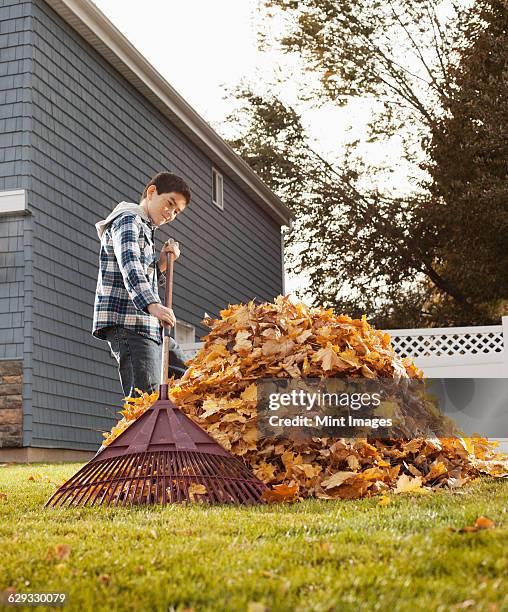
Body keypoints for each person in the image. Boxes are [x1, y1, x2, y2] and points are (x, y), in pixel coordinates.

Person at [92, 171, 192, 398]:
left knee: (188, 379)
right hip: (130, 325)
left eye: (177, 211)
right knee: (144, 402)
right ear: (152, 192)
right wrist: (153, 304)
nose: (171, 213)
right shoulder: (128, 220)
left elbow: (143, 273)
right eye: (169, 203)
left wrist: (163, 264)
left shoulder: (145, 228)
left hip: (148, 326)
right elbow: (130, 265)